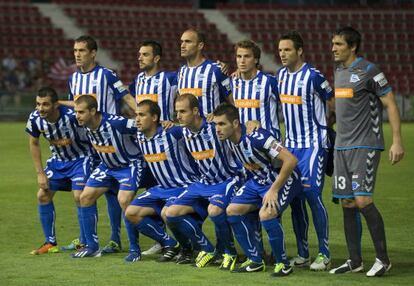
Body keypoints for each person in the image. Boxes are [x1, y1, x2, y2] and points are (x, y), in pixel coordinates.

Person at [329, 27, 404, 277]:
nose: (333, 48)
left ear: (353, 47)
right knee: (348, 202)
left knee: (363, 200)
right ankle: (354, 260)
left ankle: (383, 259)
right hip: (342, 146)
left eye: (338, 44)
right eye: (333, 43)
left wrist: (396, 141)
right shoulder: (339, 72)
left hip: (365, 144)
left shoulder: (369, 70)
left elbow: (390, 103)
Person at [60, 35, 140, 252]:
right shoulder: (73, 79)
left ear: (93, 53)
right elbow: (76, 104)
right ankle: (85, 238)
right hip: (85, 143)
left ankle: (115, 238)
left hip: (110, 141)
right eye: (75, 50)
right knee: (83, 192)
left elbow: (125, 96)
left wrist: (142, 115)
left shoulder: (106, 75)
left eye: (82, 50)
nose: (77, 54)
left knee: (111, 192)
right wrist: (56, 104)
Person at [213, 103, 301, 276]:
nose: (217, 129)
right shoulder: (229, 139)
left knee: (265, 214)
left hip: (283, 180)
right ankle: (255, 260)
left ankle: (283, 264)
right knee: (232, 210)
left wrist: (274, 190)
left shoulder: (258, 137)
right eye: (216, 124)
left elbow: (290, 160)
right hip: (258, 181)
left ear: (236, 123)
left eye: (222, 124)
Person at [276, 31, 333, 270]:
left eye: (287, 49)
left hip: (313, 146)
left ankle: (325, 253)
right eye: (280, 50)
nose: (282, 54)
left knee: (312, 196)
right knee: (295, 201)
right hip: (291, 148)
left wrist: (326, 129)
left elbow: (332, 102)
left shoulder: (313, 76)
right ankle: (303, 254)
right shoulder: (279, 76)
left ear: (299, 51)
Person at [166, 93, 242, 269]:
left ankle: (230, 253)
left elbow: (237, 126)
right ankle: (207, 248)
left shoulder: (215, 126)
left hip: (226, 180)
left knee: (215, 210)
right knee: (170, 213)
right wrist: (166, 124)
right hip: (203, 183)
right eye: (177, 112)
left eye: (182, 111)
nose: (178, 116)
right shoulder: (183, 131)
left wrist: (254, 123)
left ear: (195, 111)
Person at [71, 95, 148, 260]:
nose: (77, 116)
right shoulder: (84, 123)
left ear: (93, 111)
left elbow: (144, 125)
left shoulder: (116, 123)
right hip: (107, 167)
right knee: (85, 197)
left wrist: (164, 125)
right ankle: (91, 246)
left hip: (129, 165)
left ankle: (135, 250)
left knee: (124, 200)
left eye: (81, 112)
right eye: (76, 112)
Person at [125, 100, 200, 262]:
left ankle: (189, 248)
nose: (137, 119)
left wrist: (172, 123)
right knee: (130, 212)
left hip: (182, 186)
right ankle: (169, 243)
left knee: (168, 214)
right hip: (161, 188)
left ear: (154, 118)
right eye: (136, 115)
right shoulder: (138, 134)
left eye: (142, 115)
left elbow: (196, 128)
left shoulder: (172, 133)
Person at [26, 87, 94, 255]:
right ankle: (50, 242)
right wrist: (40, 173)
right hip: (57, 162)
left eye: (45, 104)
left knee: (79, 196)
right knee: (42, 195)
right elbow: (34, 143)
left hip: (81, 158)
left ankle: (86, 242)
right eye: (38, 104)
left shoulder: (72, 115)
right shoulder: (35, 118)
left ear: (56, 105)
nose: (41, 108)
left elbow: (90, 112)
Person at [177, 28, 232, 121]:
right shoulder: (181, 72)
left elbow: (233, 102)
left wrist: (218, 114)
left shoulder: (217, 70)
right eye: (182, 42)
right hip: (188, 133)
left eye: (188, 42)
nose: (182, 45)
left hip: (212, 132)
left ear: (200, 45)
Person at [232, 40, 281, 140]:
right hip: (243, 146)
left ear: (256, 60)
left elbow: (289, 106)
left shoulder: (269, 82)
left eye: (247, 56)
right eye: (239, 56)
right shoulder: (231, 82)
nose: (242, 61)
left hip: (268, 144)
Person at [129, 40, 176, 125]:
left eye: (145, 55)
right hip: (143, 134)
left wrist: (175, 121)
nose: (140, 58)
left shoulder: (170, 78)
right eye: (140, 54)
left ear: (156, 58)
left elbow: (184, 98)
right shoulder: (138, 79)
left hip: (163, 132)